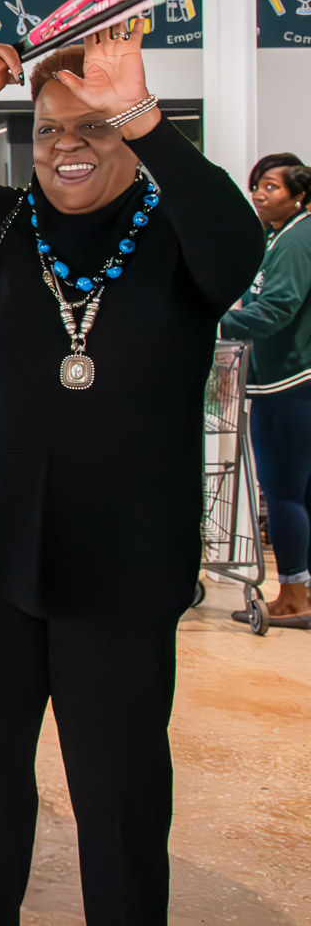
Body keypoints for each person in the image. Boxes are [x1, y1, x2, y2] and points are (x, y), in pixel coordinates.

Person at [0, 29, 264, 924]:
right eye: (49, 130)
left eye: (94, 128)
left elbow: (237, 248)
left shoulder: (178, 236)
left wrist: (142, 116)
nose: (68, 146)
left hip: (122, 565)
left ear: (131, 132)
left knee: (119, 789)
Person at [222, 154, 311, 627]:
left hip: (289, 382)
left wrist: (213, 324)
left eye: (271, 187)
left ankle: (294, 596)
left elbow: (278, 307)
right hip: (289, 379)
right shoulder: (280, 236)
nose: (259, 193)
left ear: (299, 195)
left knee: (283, 493)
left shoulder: (297, 240)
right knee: (298, 493)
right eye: (257, 184)